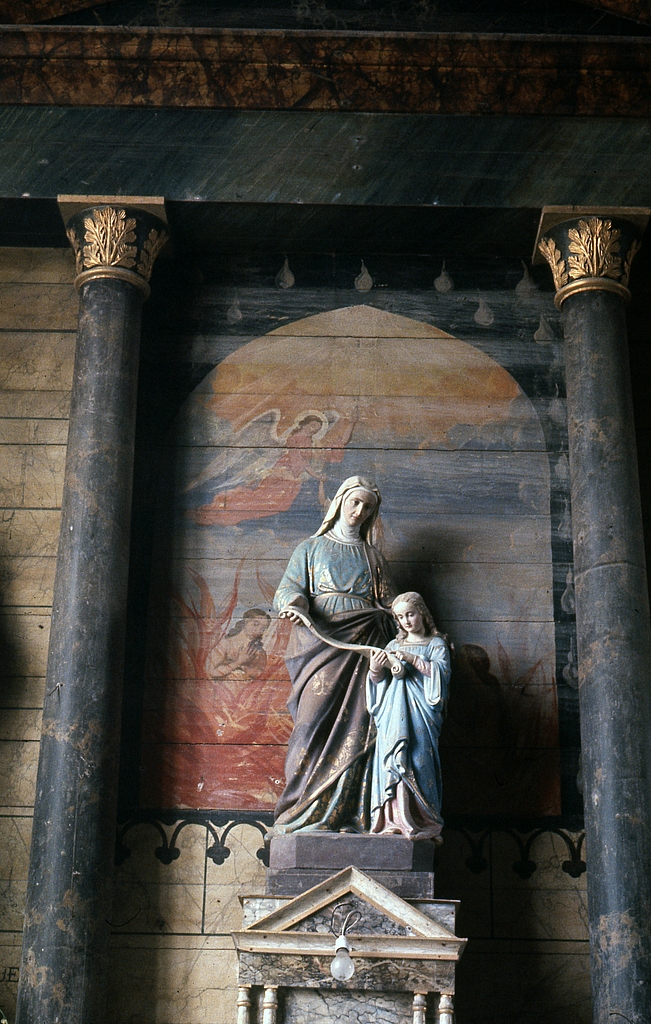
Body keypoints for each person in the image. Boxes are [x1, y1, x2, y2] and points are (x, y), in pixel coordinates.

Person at [272, 475, 396, 833]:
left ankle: (346, 814)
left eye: (367, 507)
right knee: (310, 724)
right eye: (354, 502)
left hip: (364, 647)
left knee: (360, 727)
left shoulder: (373, 557)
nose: (359, 511)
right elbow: (290, 590)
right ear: (340, 501)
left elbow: (392, 606)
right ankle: (298, 812)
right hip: (320, 643)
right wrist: (294, 605)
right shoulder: (309, 549)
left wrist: (422, 636)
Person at [367, 592, 451, 842]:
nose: (406, 621)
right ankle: (391, 820)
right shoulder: (392, 645)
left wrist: (414, 659)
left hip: (420, 717)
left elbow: (441, 678)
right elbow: (379, 683)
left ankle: (423, 820)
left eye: (410, 614)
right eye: (400, 617)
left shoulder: (436, 644)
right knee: (392, 760)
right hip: (393, 715)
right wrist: (375, 669)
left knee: (417, 759)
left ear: (422, 613)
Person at [206, 608, 271, 682]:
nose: (258, 630)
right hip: (224, 689)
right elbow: (212, 672)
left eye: (263, 628)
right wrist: (239, 662)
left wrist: (245, 669)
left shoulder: (260, 652)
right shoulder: (226, 644)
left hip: (248, 690)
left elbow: (259, 676)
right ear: (246, 621)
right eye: (255, 624)